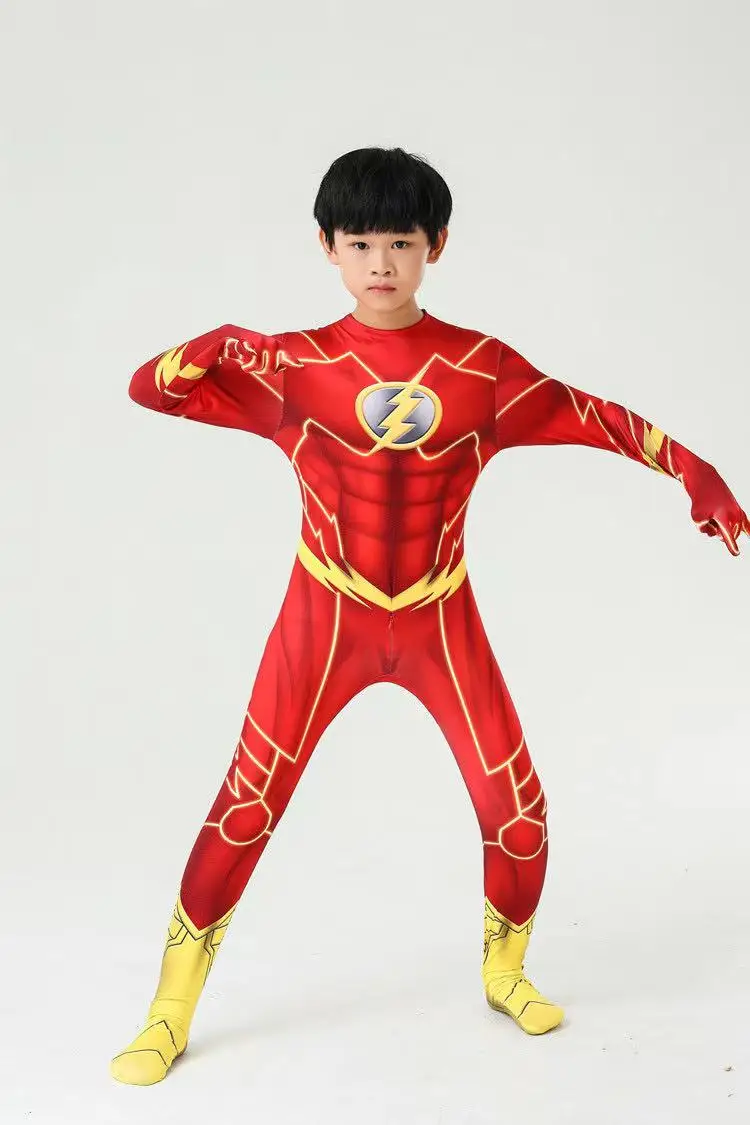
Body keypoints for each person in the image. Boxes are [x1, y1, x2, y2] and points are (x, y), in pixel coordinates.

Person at [110, 146, 748, 1085]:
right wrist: (213, 340)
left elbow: (594, 415)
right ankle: (167, 1011)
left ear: (436, 246)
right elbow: (150, 389)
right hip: (324, 616)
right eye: (360, 242)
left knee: (516, 811)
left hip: (438, 618)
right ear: (326, 246)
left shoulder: (482, 369)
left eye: (401, 243)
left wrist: (699, 474)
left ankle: (505, 971)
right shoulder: (291, 365)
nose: (381, 264)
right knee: (247, 805)